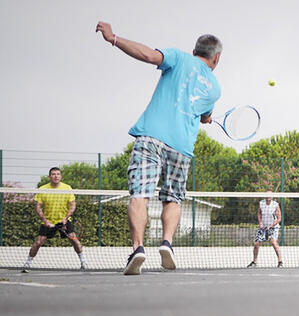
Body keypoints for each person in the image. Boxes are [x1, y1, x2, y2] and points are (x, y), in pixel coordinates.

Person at [95, 22, 222, 275]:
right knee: (173, 198)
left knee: (140, 193)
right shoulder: (215, 88)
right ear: (216, 58)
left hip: (152, 138)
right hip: (182, 148)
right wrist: (205, 117)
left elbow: (147, 55)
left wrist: (114, 38)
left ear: (195, 50)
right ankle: (167, 244)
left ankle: (138, 247)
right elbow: (204, 113)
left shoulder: (177, 56)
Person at [21, 167, 88, 272]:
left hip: (64, 221)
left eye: (58, 174)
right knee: (38, 242)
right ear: (49, 177)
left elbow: (72, 205)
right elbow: (38, 207)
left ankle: (84, 263)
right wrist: (45, 220)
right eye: (53, 174)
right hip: (48, 221)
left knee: (74, 240)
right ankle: (27, 264)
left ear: (61, 176)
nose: (56, 176)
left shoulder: (67, 188)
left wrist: (65, 219)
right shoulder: (43, 189)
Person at [247, 191, 284, 268]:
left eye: (270, 195)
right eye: (267, 195)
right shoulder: (261, 203)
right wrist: (260, 223)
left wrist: (271, 225)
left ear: (272, 197)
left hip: (273, 227)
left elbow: (279, 218)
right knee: (256, 243)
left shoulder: (275, 205)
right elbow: (259, 213)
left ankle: (280, 262)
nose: (268, 196)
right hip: (263, 227)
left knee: (274, 242)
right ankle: (254, 262)